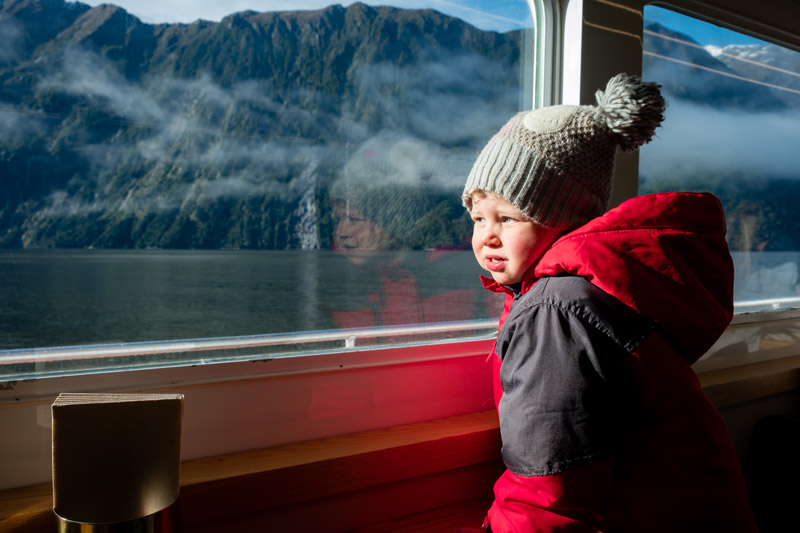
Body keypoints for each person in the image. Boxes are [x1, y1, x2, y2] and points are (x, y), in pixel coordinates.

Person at [462, 73, 758, 532]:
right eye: (478, 216)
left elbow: (550, 488)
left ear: (564, 217)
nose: (487, 235)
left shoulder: (556, 310)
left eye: (509, 216)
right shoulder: (586, 292)